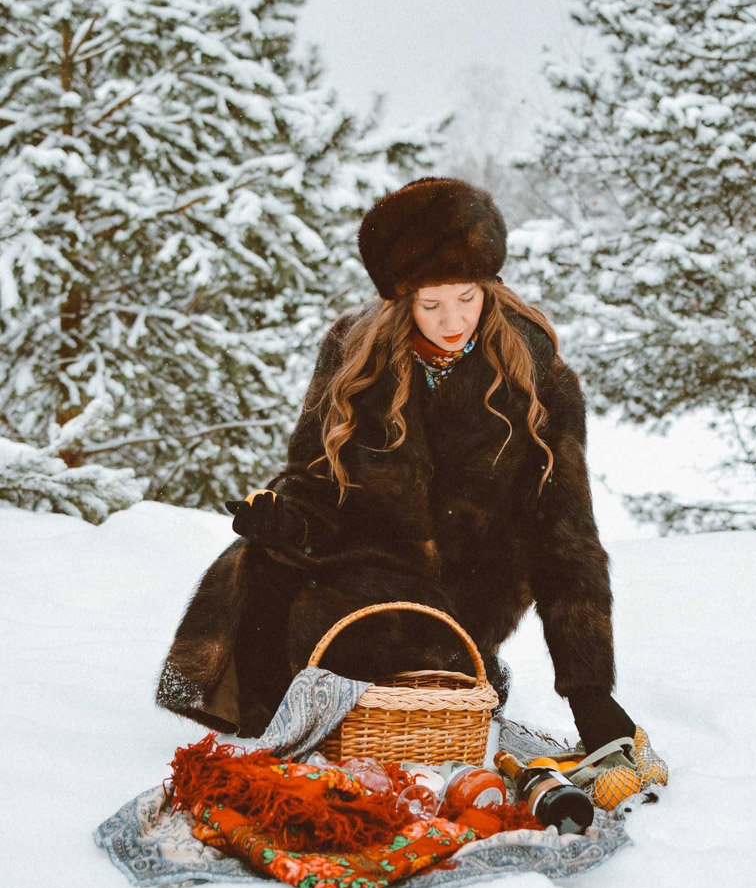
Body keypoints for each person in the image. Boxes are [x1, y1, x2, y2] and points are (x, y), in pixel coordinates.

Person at [156, 177, 648, 757]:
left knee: (367, 645)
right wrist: (286, 519)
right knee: (256, 569)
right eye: (431, 304)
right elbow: (314, 479)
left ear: (488, 285)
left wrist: (589, 690)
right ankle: (270, 736)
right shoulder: (353, 350)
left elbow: (565, 535)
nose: (452, 320)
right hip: (369, 561)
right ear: (401, 300)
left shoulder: (539, 377)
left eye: (467, 297)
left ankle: (463, 673)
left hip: (473, 583)